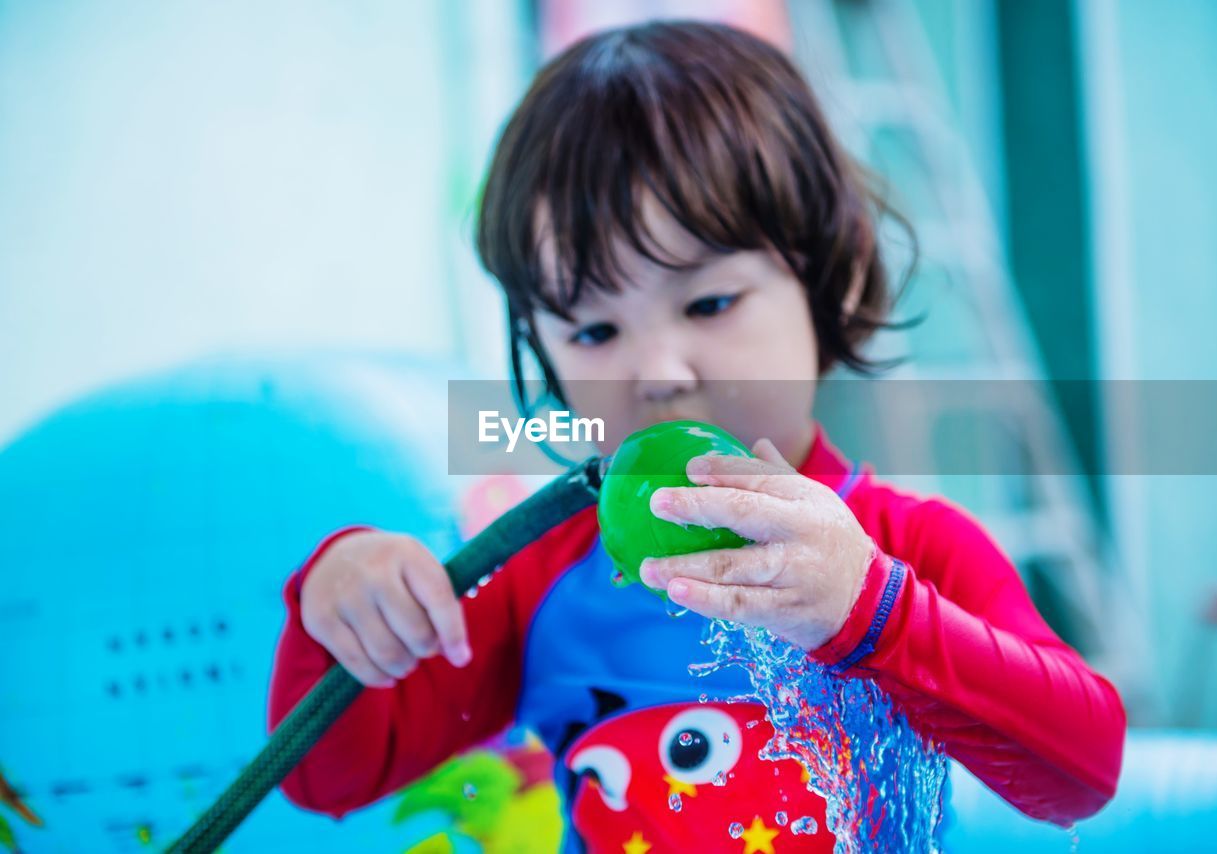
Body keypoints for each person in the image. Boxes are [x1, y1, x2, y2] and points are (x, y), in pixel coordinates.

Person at [267, 20, 1125, 850]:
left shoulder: (907, 551)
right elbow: (330, 777)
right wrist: (339, 609)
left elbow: (1082, 771)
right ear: (540, 348)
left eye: (709, 304)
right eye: (595, 332)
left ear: (833, 281)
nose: (658, 370)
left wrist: (873, 615)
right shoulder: (541, 575)